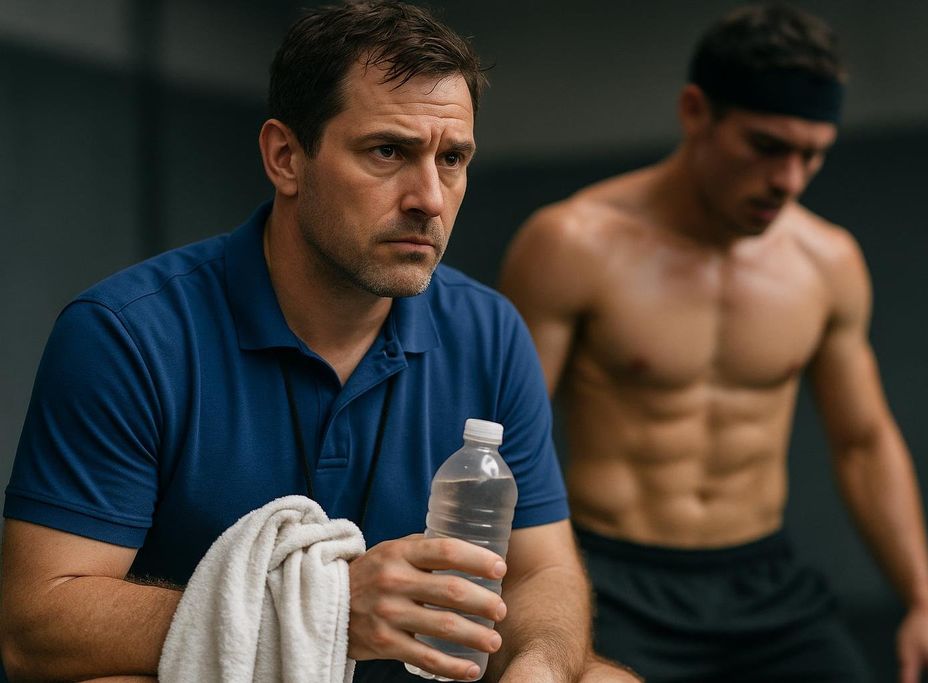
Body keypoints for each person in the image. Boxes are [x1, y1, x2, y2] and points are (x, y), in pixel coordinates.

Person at [0, 3, 633, 681]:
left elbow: (544, 569)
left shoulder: (491, 330)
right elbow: (37, 624)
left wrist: (536, 665)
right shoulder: (126, 332)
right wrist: (326, 611)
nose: (431, 197)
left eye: (452, 158)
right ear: (286, 158)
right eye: (388, 151)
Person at [500, 3, 928, 682]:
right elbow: (504, 443)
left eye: (813, 155)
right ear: (696, 112)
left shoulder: (826, 261)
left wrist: (924, 603)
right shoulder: (573, 245)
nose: (790, 179)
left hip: (761, 581)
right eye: (768, 146)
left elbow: (863, 442)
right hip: (614, 578)